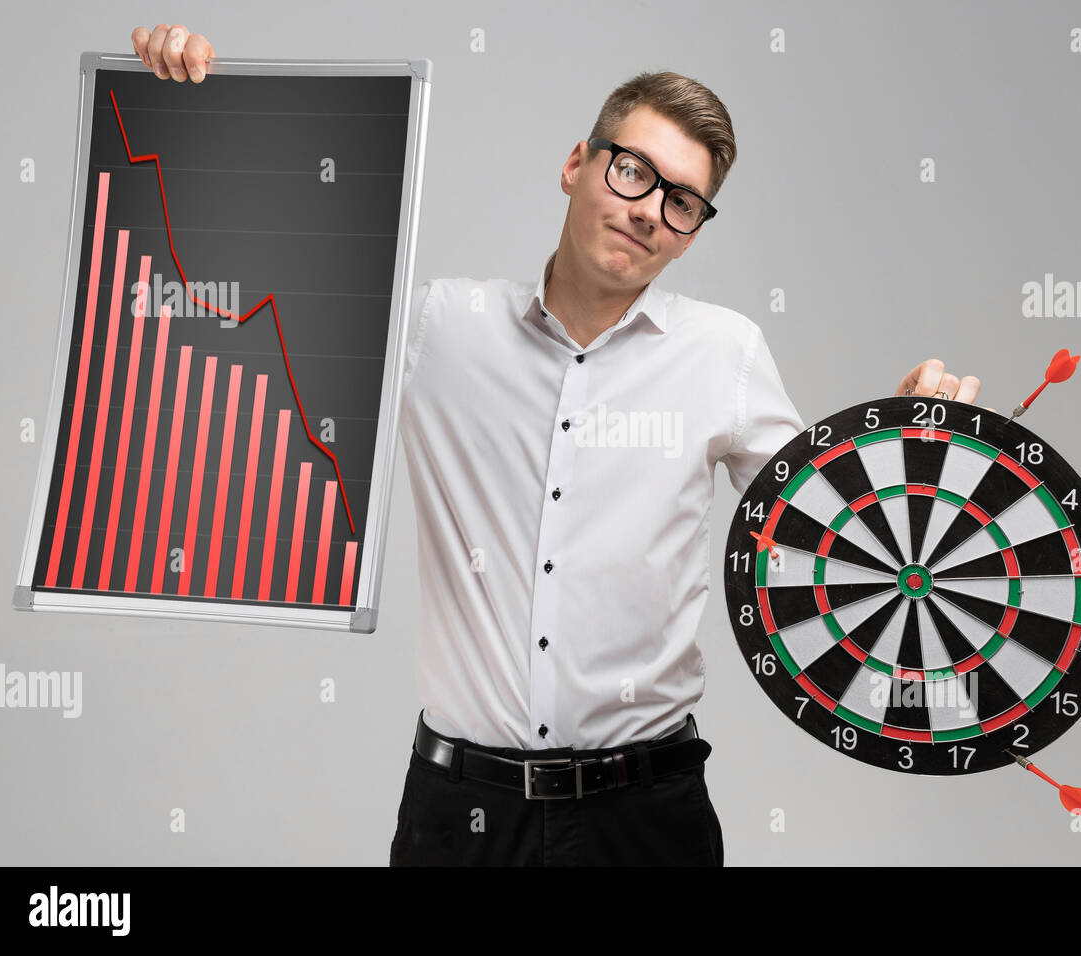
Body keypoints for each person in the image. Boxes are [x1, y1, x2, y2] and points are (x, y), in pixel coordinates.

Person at [129, 23, 993, 866]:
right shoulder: (440, 327)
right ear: (577, 163)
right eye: (632, 171)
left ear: (694, 228)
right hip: (457, 815)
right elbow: (250, 298)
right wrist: (199, 109)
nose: (648, 210)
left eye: (680, 200)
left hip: (647, 819)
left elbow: (841, 535)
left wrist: (909, 449)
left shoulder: (723, 355)